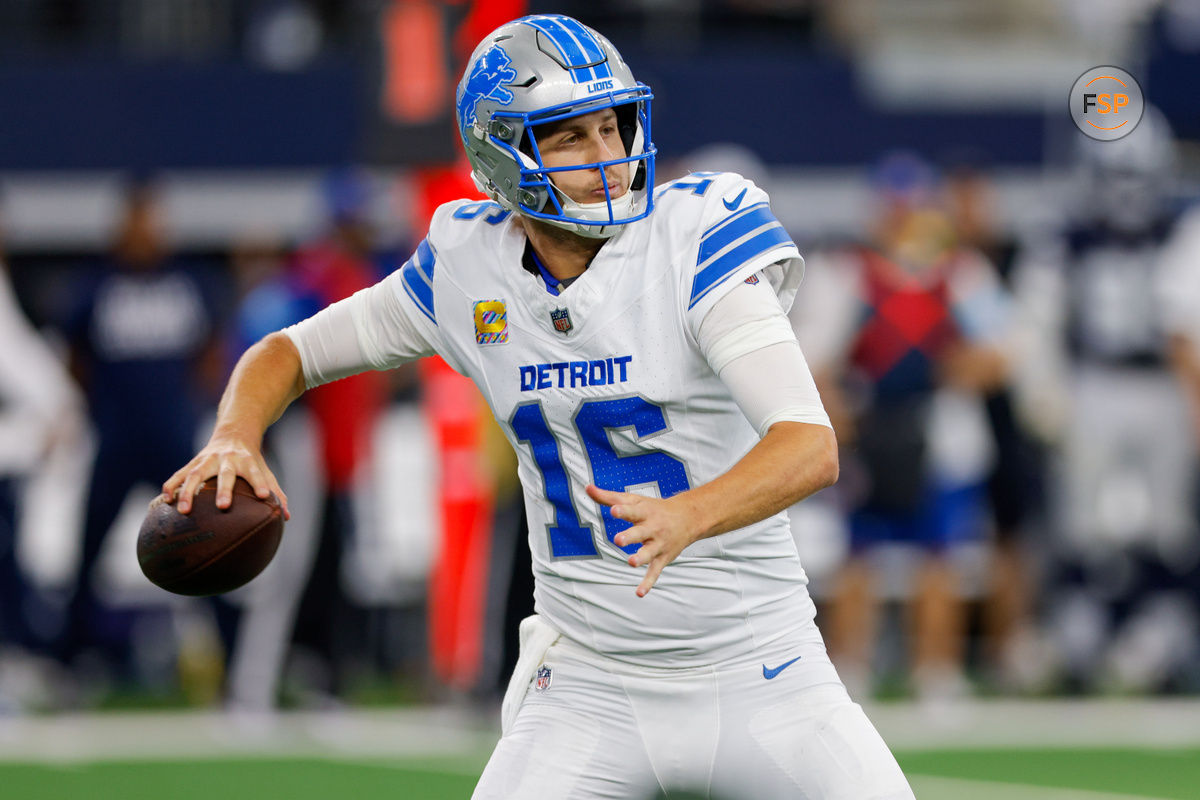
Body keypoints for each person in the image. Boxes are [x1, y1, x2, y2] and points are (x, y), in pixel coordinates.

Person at [163, 15, 914, 799]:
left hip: (763, 666)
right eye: (568, 138)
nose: (609, 160)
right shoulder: (468, 265)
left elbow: (808, 444)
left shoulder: (694, 237)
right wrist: (234, 435)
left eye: (612, 126)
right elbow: (292, 350)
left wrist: (691, 513)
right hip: (591, 683)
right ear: (500, 156)